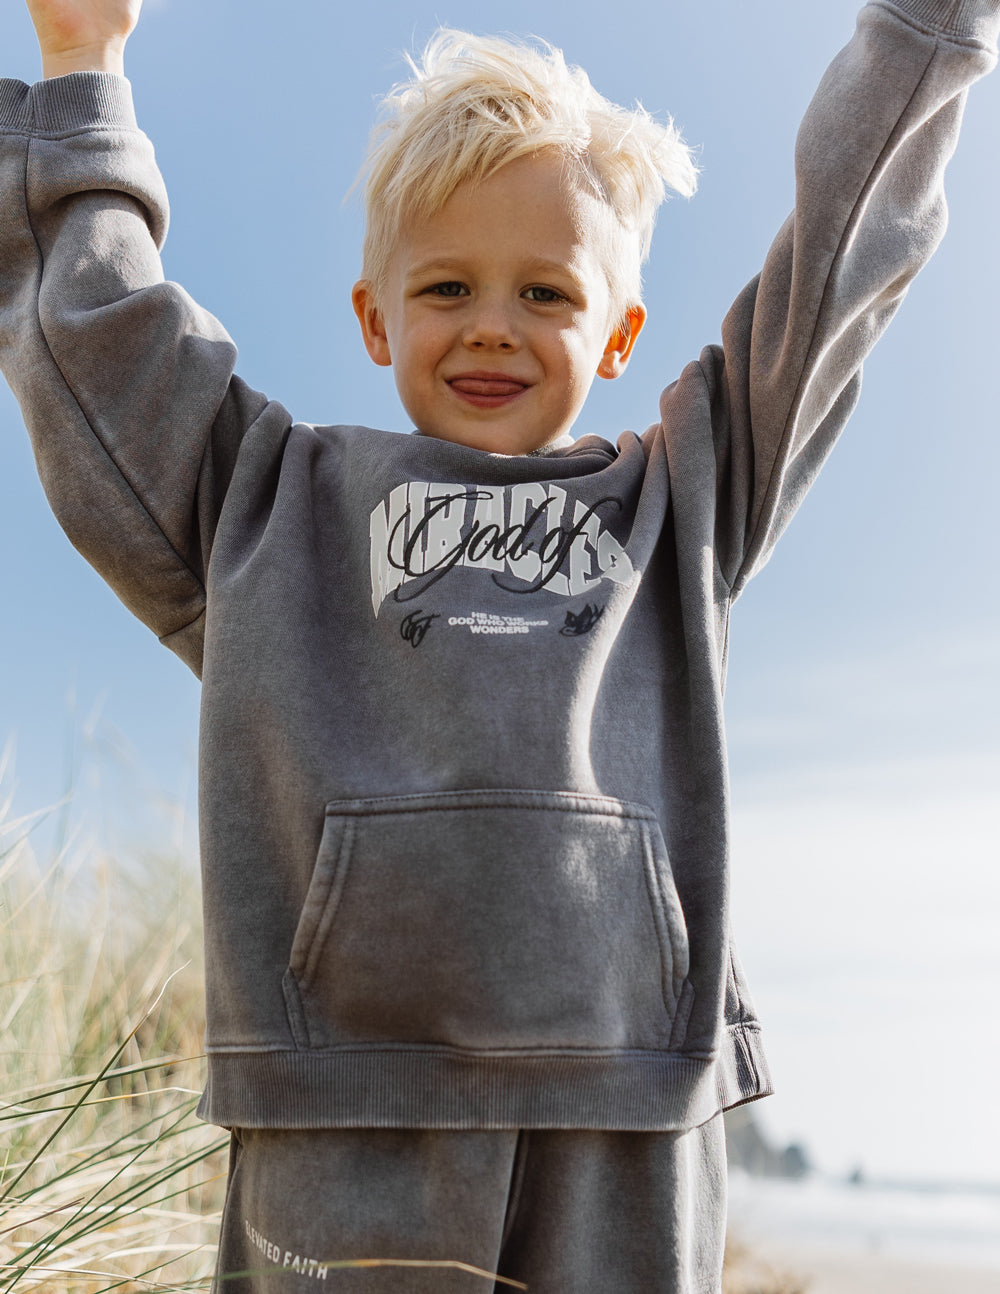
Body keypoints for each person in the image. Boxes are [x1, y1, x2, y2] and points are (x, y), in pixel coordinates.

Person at [1, 1, 996, 1290]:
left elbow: (842, 263)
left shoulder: (688, 501)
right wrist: (87, 66)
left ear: (618, 334)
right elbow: (100, 343)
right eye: (447, 286)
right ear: (373, 318)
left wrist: (930, 27)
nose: (491, 324)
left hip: (628, 1112)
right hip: (344, 1111)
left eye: (546, 291)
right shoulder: (264, 503)